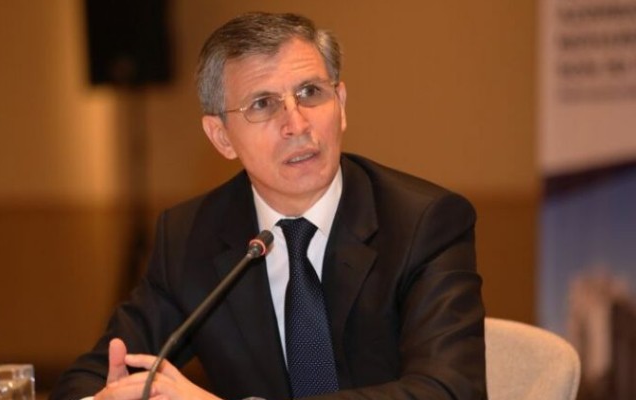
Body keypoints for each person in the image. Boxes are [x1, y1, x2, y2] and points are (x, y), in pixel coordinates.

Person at [50, 12, 486, 400]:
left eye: (310, 92)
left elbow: (450, 389)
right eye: (262, 104)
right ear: (221, 137)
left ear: (341, 105)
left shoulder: (423, 222)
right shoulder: (191, 236)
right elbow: (92, 376)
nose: (296, 124)